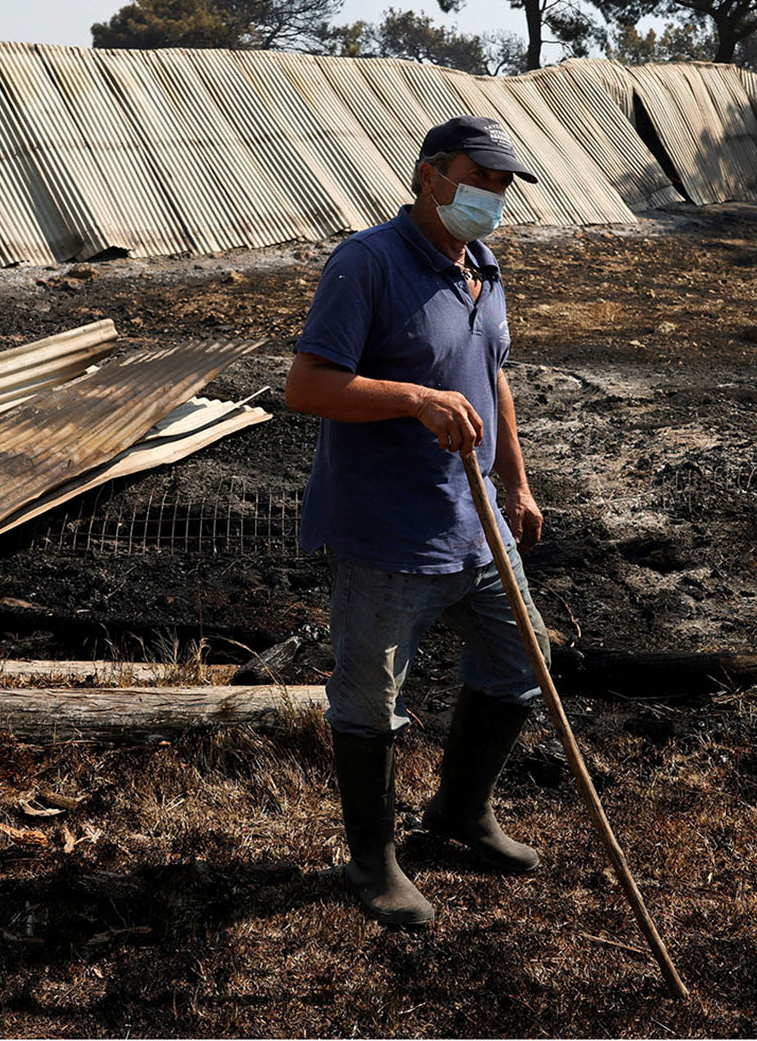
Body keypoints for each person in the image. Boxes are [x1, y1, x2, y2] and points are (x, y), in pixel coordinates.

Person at [283, 115, 550, 927]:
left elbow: (492, 378)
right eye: (481, 179)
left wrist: (518, 484)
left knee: (522, 662)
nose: (493, 198)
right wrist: (412, 398)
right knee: (370, 704)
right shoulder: (366, 264)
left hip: (477, 524)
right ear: (430, 176)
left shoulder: (484, 268)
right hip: (388, 533)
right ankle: (373, 861)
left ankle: (460, 813)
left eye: (504, 185)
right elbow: (307, 387)